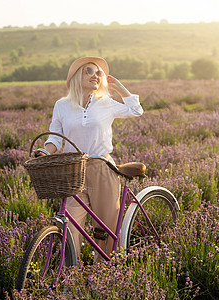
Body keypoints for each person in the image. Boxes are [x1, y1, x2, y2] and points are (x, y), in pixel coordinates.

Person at [36, 56, 143, 262]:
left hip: (102, 167)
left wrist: (117, 86)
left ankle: (102, 274)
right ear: (76, 76)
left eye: (98, 73)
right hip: (73, 170)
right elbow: (54, 137)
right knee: (70, 227)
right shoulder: (62, 105)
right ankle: (71, 277)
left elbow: (136, 110)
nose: (96, 76)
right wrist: (46, 152)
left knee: (105, 227)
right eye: (89, 71)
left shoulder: (105, 103)